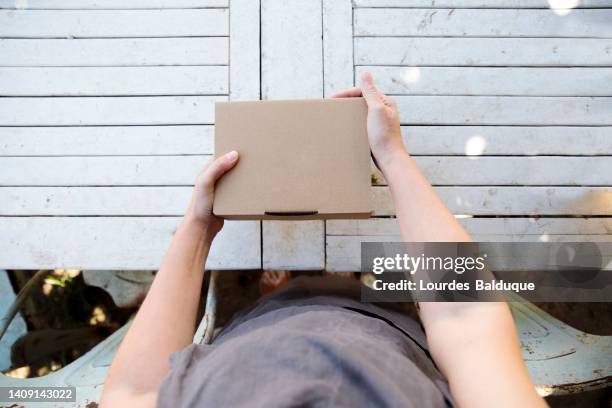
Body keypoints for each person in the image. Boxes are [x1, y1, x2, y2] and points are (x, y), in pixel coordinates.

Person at [100, 73, 547, 408]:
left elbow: (130, 391)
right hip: (379, 332)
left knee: (278, 309)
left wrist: (198, 226)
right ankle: (337, 284)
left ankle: (294, 289)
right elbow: (467, 326)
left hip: (258, 333)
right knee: (361, 309)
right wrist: (392, 156)